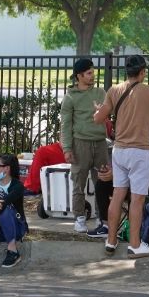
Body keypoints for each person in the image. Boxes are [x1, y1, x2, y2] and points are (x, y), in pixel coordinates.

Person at [94, 55, 149, 259]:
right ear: (142, 72)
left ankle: (111, 240)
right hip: (140, 151)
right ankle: (135, 244)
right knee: (137, 199)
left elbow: (98, 118)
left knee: (117, 195)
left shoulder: (114, 90)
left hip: (119, 150)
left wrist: (97, 110)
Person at [60, 58, 109, 235]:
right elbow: (65, 124)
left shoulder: (101, 92)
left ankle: (101, 218)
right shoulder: (70, 97)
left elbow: (107, 113)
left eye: (93, 72)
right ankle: (79, 218)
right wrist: (66, 148)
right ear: (79, 76)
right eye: (89, 73)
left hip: (100, 142)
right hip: (80, 143)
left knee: (102, 181)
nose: (92, 75)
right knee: (78, 182)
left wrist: (102, 111)